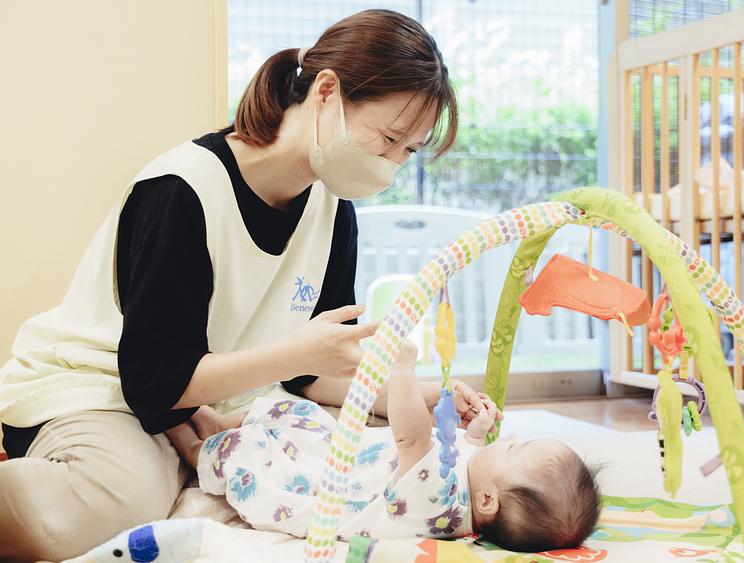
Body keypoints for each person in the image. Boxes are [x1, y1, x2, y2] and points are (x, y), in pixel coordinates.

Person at [0, 9, 489, 561]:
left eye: (408, 151)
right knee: (114, 506)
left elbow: (311, 372)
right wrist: (288, 362)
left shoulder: (332, 211)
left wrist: (422, 398)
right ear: (326, 92)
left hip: (208, 399)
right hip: (102, 389)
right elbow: (154, 380)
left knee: (351, 460)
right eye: (390, 138)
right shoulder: (185, 190)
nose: (392, 165)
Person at [171, 342, 600, 552]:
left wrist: (403, 373)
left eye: (513, 451)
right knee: (300, 419)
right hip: (348, 458)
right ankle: (215, 422)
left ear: (488, 500)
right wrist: (475, 433)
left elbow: (410, 437)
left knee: (255, 460)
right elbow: (461, 454)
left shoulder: (440, 505)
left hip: (330, 487)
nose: (508, 440)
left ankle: (184, 439)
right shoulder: (467, 499)